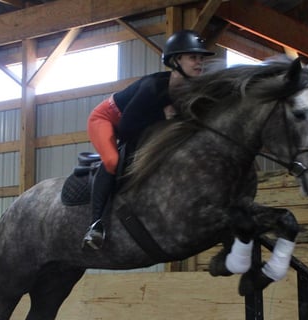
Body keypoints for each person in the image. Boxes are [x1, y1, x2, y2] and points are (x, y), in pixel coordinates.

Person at [82, 29, 215, 250]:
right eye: (193, 57)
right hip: (106, 119)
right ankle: (95, 224)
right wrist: (161, 115)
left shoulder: (189, 90)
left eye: (201, 58)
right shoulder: (152, 87)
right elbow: (126, 128)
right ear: (176, 61)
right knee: (112, 161)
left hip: (136, 123)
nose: (199, 62)